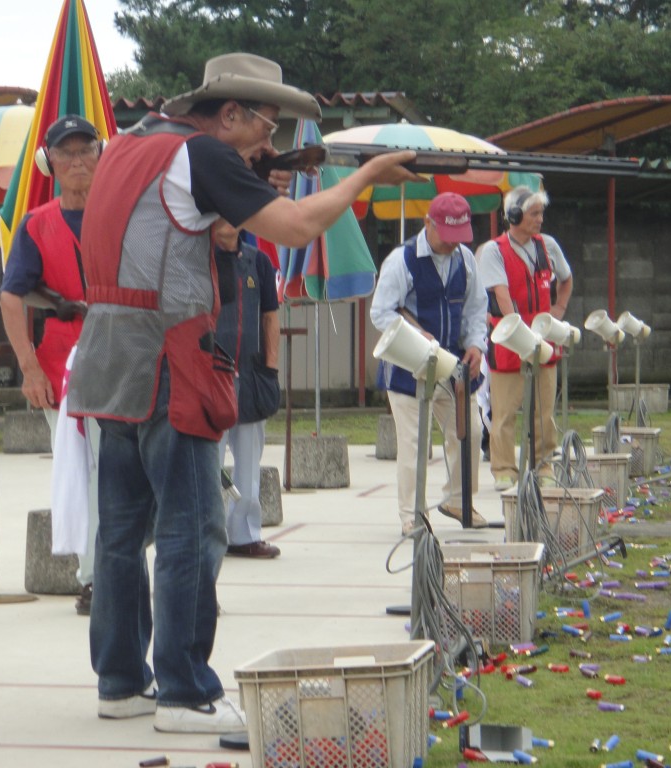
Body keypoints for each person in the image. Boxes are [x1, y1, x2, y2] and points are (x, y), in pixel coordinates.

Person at [65, 52, 418, 734]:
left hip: (111, 355)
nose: (271, 144)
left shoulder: (127, 146)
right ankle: (185, 691)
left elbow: (172, 233)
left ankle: (120, 681)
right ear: (229, 114)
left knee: (120, 534)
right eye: (265, 127)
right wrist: (367, 174)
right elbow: (294, 228)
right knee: (193, 530)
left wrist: (236, 202)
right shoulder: (202, 155)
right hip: (173, 354)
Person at [0, 114, 100, 616]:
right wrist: (28, 367)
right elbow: (11, 297)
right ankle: (94, 578)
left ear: (101, 157)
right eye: (68, 152)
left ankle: (111, 568)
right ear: (51, 162)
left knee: (123, 473)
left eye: (87, 150)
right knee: (79, 475)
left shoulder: (121, 214)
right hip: (61, 363)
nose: (79, 160)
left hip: (121, 356)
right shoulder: (36, 225)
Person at [370, 193, 489, 534]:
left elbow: (475, 308)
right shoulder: (401, 260)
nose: (454, 245)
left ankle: (457, 499)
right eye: (448, 237)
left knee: (471, 431)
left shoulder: (465, 259)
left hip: (454, 367)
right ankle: (412, 515)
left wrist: (477, 346)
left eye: (460, 238)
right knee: (414, 444)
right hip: (409, 369)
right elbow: (381, 312)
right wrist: (416, 335)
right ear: (428, 224)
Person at [477, 186, 574, 491]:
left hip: (544, 337)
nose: (540, 219)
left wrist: (559, 307)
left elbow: (566, 278)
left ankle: (544, 464)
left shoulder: (548, 246)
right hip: (509, 338)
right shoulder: (494, 250)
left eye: (541, 213)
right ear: (514, 215)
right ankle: (504, 468)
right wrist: (520, 332)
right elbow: (501, 295)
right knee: (504, 410)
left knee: (544, 409)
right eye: (534, 213)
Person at [213, 222, 281, 558]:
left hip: (251, 373)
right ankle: (209, 532)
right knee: (209, 460)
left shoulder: (259, 262)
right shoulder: (197, 258)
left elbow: (270, 315)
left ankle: (244, 535)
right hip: (210, 375)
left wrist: (271, 367)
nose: (226, 221)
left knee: (250, 459)